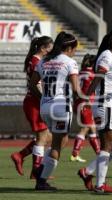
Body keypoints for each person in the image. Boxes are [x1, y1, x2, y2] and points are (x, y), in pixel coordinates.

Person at [77, 26, 112, 193]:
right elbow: (98, 77)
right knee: (107, 144)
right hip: (103, 103)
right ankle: (100, 185)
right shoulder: (106, 55)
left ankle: (88, 171)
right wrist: (85, 97)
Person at [29, 31, 79, 190]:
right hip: (61, 107)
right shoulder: (70, 62)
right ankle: (41, 179)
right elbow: (76, 89)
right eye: (74, 48)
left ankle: (41, 170)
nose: (75, 51)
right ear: (69, 47)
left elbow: (32, 84)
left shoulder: (43, 61)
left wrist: (43, 98)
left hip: (45, 107)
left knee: (60, 141)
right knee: (58, 144)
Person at [11, 36, 53, 179]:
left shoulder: (34, 60)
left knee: (47, 137)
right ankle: (36, 172)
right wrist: (45, 99)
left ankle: (21, 156)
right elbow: (36, 85)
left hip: (33, 101)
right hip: (34, 102)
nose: (51, 52)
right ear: (43, 48)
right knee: (43, 137)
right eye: (49, 49)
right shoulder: (37, 61)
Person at [70, 54, 100, 163]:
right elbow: (89, 90)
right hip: (86, 103)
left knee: (92, 128)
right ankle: (75, 153)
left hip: (78, 102)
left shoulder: (80, 73)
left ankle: (98, 152)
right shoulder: (92, 74)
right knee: (85, 128)